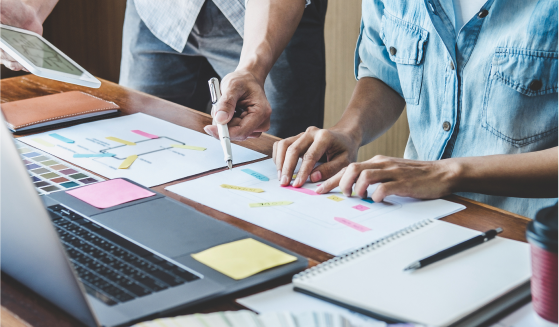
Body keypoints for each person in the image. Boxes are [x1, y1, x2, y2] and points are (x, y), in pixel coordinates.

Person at [274, 0, 559, 218]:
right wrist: (349, 131)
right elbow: (386, 71)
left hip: (530, 234)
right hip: (413, 214)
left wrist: (448, 173)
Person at [0, 0, 327, 140]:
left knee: (274, 159)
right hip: (158, 12)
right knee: (137, 148)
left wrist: (253, 69)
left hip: (262, 18)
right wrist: (32, 10)